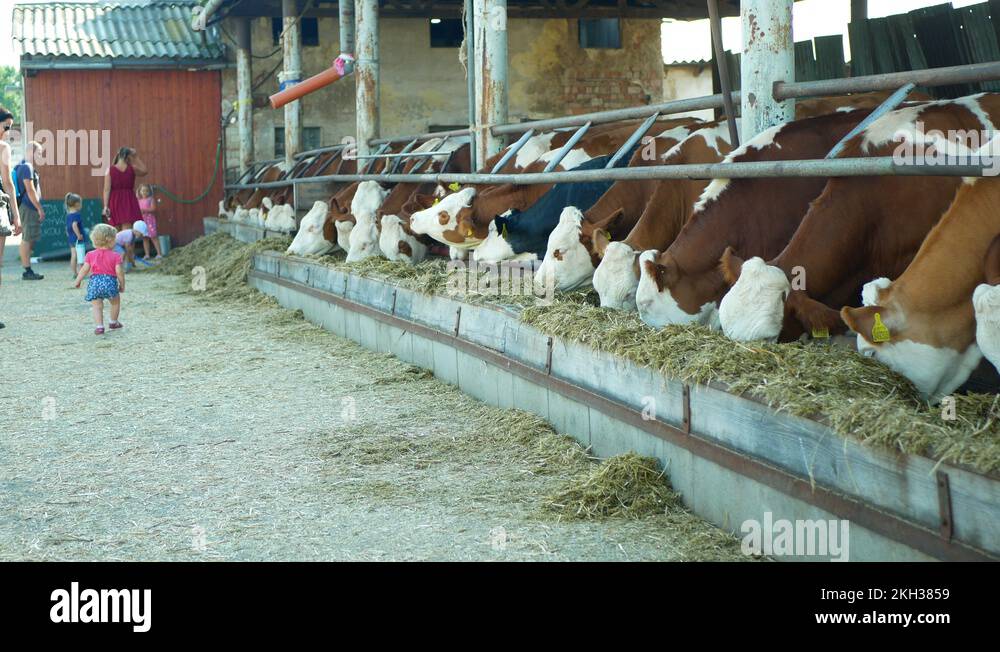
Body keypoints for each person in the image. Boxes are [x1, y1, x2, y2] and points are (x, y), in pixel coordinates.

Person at [74, 223, 125, 335]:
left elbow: (84, 269)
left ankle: (99, 327)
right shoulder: (116, 256)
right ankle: (113, 322)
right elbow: (119, 272)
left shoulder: (90, 255)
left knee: (97, 306)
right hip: (110, 283)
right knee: (115, 302)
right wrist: (122, 285)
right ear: (111, 240)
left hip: (95, 283)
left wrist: (78, 280)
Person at [0, 106, 23, 329]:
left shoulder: (4, 146)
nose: (8, 132)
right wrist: (16, 216)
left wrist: (15, 216)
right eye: (6, 127)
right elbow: (7, 183)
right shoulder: (2, 147)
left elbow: (8, 183)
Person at [14, 140, 46, 280]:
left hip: (27, 206)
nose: (40, 156)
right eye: (38, 153)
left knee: (28, 237)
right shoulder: (27, 166)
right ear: (31, 152)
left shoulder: (23, 166)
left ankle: (27, 268)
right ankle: (27, 270)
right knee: (27, 237)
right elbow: (30, 189)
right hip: (28, 206)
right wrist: (39, 208)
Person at [103, 147, 147, 232]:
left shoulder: (109, 170)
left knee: (115, 231)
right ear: (128, 157)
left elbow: (106, 189)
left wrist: (105, 206)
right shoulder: (132, 168)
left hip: (115, 200)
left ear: (118, 155)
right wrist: (136, 157)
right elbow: (144, 171)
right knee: (128, 231)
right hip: (129, 200)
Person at [136, 184, 163, 259]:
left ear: (149, 192)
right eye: (143, 191)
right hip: (142, 221)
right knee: (145, 237)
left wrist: (144, 210)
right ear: (140, 192)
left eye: (146, 191)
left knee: (153, 236)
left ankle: (159, 253)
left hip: (150, 220)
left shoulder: (151, 199)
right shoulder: (138, 201)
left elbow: (153, 209)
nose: (144, 192)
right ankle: (147, 254)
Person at [65, 192, 86, 277]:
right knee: (81, 255)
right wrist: (79, 235)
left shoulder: (68, 215)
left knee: (73, 255)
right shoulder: (77, 215)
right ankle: (81, 273)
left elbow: (67, 227)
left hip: (71, 238)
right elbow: (74, 225)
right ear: (77, 204)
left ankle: (75, 273)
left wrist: (69, 235)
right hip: (77, 239)